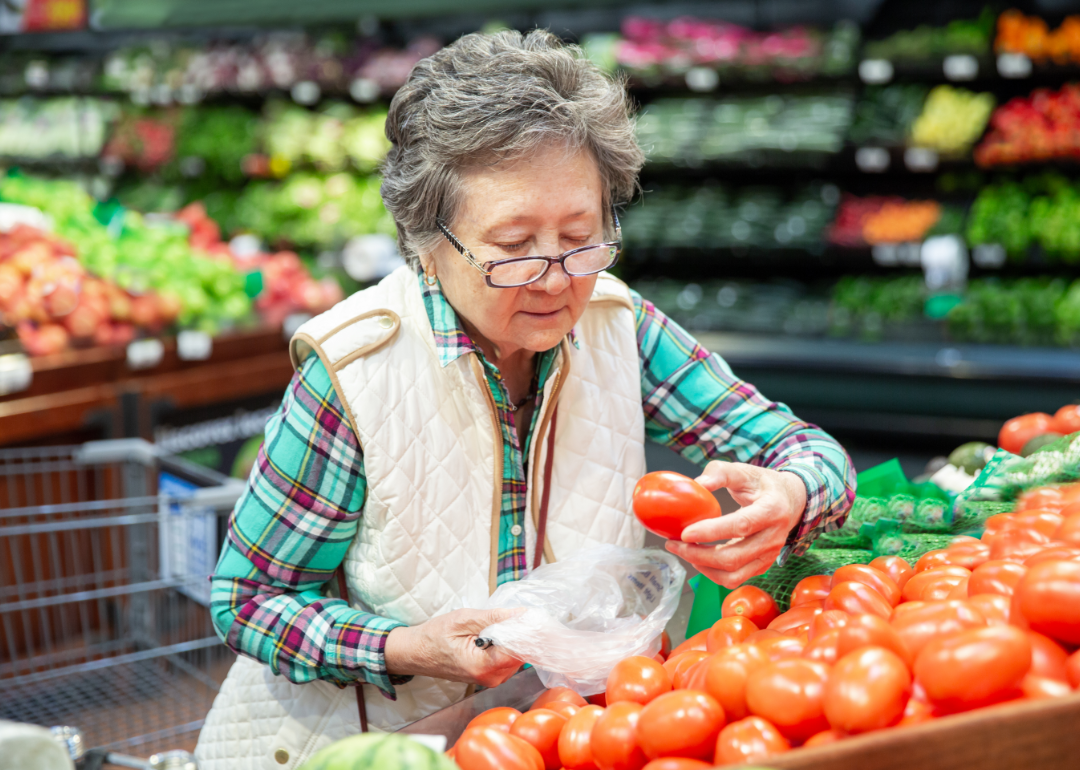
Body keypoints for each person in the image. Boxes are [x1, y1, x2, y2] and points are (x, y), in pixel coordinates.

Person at [194, 29, 855, 768]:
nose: (555, 277)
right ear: (427, 240)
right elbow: (248, 599)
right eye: (514, 245)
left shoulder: (618, 324)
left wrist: (796, 492)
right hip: (358, 749)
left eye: (582, 235)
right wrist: (406, 647)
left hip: (552, 739)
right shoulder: (353, 369)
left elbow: (799, 446)